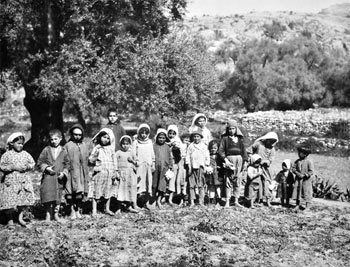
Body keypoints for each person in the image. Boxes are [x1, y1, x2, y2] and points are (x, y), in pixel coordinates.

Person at [0, 132, 35, 228]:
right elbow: (2, 166)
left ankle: (20, 218)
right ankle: (10, 220)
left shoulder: (25, 154)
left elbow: (32, 163)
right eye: (18, 143)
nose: (21, 145)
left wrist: (27, 167)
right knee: (9, 200)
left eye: (22, 144)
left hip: (23, 181)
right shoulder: (7, 155)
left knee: (22, 200)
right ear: (12, 143)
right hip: (10, 182)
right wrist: (12, 167)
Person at [37, 129, 70, 222]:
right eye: (51, 139)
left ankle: (56, 214)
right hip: (48, 177)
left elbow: (68, 164)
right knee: (48, 195)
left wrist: (64, 173)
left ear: (60, 139)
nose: (53, 141)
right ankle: (48, 214)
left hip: (59, 178)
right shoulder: (46, 150)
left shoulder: (64, 150)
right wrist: (46, 168)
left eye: (56, 139)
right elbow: (40, 162)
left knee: (58, 196)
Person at [89, 128, 119, 216]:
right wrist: (95, 153)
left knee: (108, 190)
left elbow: (114, 160)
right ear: (99, 137)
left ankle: (107, 208)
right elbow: (91, 160)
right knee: (96, 190)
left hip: (109, 173)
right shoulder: (97, 148)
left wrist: (115, 171)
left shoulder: (111, 149)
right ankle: (94, 210)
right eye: (104, 137)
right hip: (99, 172)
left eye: (107, 138)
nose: (105, 139)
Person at [65, 124, 92, 219]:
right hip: (71, 172)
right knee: (71, 192)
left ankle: (78, 210)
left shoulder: (84, 145)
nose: (77, 136)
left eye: (80, 135)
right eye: (75, 134)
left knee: (79, 193)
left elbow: (87, 158)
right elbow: (65, 159)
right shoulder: (68, 145)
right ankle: (72, 210)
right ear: (71, 134)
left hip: (82, 173)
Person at [218, 120, 248, 208]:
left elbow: (244, 151)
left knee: (237, 180)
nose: (231, 131)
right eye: (230, 129)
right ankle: (227, 201)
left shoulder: (239, 140)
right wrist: (226, 160)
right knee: (228, 180)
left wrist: (245, 162)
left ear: (236, 129)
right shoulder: (225, 139)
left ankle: (236, 201)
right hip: (229, 160)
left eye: (233, 129)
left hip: (239, 160)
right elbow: (220, 150)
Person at [247, 131, 278, 207]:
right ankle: (254, 199)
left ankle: (267, 200)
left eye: (273, 141)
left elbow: (271, 159)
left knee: (266, 183)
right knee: (255, 183)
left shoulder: (272, 149)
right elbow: (249, 150)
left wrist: (266, 161)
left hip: (265, 169)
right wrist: (253, 158)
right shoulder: (258, 144)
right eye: (270, 140)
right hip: (255, 166)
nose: (271, 143)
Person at [132, 124, 155, 209]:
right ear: (139, 133)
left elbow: (152, 154)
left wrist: (153, 163)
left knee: (147, 184)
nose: (143, 135)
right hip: (139, 167)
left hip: (148, 167)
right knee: (138, 185)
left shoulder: (150, 142)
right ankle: (136, 203)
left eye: (146, 133)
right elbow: (133, 154)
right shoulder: (135, 142)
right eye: (142, 133)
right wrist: (135, 163)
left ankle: (146, 203)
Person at [185, 127, 210, 207]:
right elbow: (187, 157)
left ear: (201, 137)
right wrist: (189, 165)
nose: (196, 138)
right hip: (192, 167)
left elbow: (207, 156)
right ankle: (192, 201)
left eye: (198, 136)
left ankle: (201, 201)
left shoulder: (204, 146)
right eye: (194, 136)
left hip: (201, 167)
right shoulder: (190, 146)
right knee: (191, 185)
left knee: (201, 185)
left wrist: (206, 165)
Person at [115, 135, 139, 213]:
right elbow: (114, 162)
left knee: (129, 190)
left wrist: (132, 161)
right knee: (120, 190)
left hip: (130, 175)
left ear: (130, 144)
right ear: (120, 144)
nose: (125, 145)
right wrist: (116, 172)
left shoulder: (131, 153)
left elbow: (138, 163)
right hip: (122, 175)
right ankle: (118, 207)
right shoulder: (118, 152)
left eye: (127, 144)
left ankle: (129, 206)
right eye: (123, 144)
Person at [153, 129, 174, 208]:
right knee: (154, 185)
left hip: (164, 168)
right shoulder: (154, 146)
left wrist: (170, 166)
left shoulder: (167, 147)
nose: (161, 139)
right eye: (160, 138)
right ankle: (153, 199)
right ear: (157, 138)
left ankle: (159, 200)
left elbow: (170, 157)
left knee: (162, 185)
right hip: (155, 168)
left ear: (166, 139)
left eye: (163, 138)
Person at [167, 125, 185, 206]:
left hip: (178, 163)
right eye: (170, 133)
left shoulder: (177, 141)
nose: (171, 135)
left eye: (173, 133)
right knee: (171, 180)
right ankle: (170, 198)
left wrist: (175, 146)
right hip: (171, 164)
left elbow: (181, 151)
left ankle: (180, 198)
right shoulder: (166, 141)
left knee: (179, 180)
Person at [292, 144, 314, 210]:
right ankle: (297, 205)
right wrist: (297, 173)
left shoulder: (309, 162)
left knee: (307, 192)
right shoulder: (297, 161)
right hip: (298, 180)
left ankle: (307, 206)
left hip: (306, 181)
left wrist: (304, 175)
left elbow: (311, 171)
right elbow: (293, 169)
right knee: (297, 192)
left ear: (305, 154)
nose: (299, 154)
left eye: (300, 153)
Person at [205, 140, 224, 207]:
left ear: (217, 148)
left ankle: (219, 200)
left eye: (215, 148)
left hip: (218, 174)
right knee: (211, 187)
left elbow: (222, 164)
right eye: (212, 148)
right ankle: (211, 200)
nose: (213, 150)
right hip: (210, 175)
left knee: (218, 187)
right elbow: (206, 164)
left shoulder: (219, 156)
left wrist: (220, 167)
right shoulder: (208, 156)